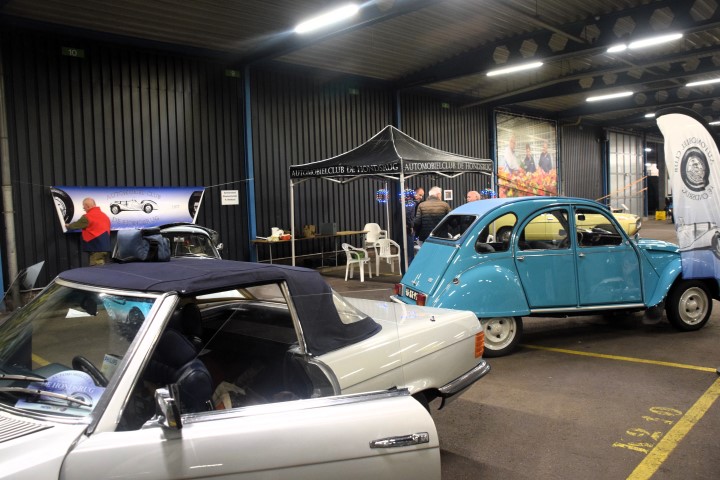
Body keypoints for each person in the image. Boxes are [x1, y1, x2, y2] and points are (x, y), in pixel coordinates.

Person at [65, 197, 112, 266]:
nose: (84, 209)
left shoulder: (88, 217)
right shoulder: (105, 216)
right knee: (101, 266)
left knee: (96, 268)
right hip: (105, 246)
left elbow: (75, 225)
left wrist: (67, 225)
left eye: (84, 207)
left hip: (96, 247)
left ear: (87, 206)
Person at [406, 187, 424, 263]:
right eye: (420, 195)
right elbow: (408, 215)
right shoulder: (411, 203)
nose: (421, 197)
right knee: (410, 253)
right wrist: (411, 226)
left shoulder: (411, 202)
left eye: (422, 195)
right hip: (409, 230)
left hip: (409, 230)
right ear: (415, 193)